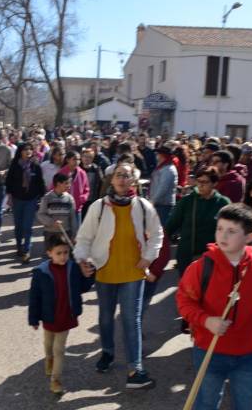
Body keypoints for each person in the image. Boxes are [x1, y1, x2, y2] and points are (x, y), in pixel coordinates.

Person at [176, 203, 252, 410]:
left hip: (248, 354)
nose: (223, 235)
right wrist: (206, 320)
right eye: (220, 228)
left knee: (248, 405)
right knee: (206, 404)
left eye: (232, 231)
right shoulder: (201, 267)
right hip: (208, 349)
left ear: (250, 237)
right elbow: (184, 301)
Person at [74, 162, 163, 389]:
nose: (123, 179)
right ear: (111, 180)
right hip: (104, 271)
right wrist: (82, 260)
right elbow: (84, 238)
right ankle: (107, 353)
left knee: (131, 320)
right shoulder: (99, 207)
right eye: (119, 175)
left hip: (133, 272)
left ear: (134, 180)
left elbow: (157, 235)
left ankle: (135, 369)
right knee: (105, 317)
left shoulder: (143, 206)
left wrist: (149, 257)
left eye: (127, 175)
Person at [165, 167, 231, 332]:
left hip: (213, 257)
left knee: (209, 292)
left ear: (214, 184)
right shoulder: (188, 201)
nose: (200, 186)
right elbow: (172, 224)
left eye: (205, 182)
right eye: (198, 182)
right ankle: (189, 318)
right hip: (187, 254)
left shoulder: (223, 203)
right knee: (189, 291)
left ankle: (203, 324)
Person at [28, 233, 94, 394]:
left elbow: (83, 288)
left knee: (59, 349)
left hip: (66, 316)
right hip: (49, 317)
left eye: (65, 252)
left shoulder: (73, 268)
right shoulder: (41, 272)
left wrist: (90, 274)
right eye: (59, 253)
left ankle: (55, 380)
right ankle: (48, 360)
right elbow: (34, 297)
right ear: (49, 253)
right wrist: (33, 318)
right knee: (48, 344)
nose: (63, 256)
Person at [6, 142, 46, 264]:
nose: (28, 151)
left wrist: (41, 198)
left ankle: (26, 250)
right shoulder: (14, 165)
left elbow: (40, 183)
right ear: (20, 151)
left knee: (27, 227)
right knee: (18, 225)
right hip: (17, 199)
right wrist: (10, 196)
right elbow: (9, 182)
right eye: (25, 149)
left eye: (30, 149)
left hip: (31, 199)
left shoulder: (35, 165)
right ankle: (19, 245)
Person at [37, 173, 78, 243]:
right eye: (66, 183)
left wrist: (74, 235)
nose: (69, 186)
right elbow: (41, 215)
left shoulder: (69, 198)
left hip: (65, 232)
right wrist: (52, 222)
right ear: (58, 184)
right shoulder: (47, 198)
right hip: (50, 233)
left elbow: (73, 218)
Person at [57, 151, 90, 223]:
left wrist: (83, 198)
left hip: (77, 208)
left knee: (76, 232)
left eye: (78, 159)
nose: (77, 162)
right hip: (63, 208)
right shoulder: (61, 173)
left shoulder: (82, 173)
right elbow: (54, 188)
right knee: (64, 232)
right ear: (68, 160)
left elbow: (86, 189)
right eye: (74, 159)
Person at [149, 145, 178, 224]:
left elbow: (163, 188)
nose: (156, 156)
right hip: (159, 204)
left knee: (162, 230)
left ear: (163, 155)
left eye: (158, 154)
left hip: (164, 206)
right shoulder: (162, 167)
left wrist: (153, 201)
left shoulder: (169, 169)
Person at [80, 148, 104, 219]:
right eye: (85, 156)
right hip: (80, 200)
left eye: (89, 157)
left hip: (92, 200)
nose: (87, 159)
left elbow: (100, 184)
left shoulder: (96, 169)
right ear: (81, 157)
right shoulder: (78, 169)